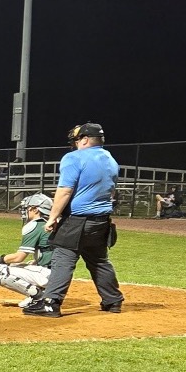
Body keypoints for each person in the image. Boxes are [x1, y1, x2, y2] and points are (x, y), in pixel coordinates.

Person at [24, 122, 122, 317]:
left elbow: (65, 190)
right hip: (102, 220)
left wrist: (52, 217)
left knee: (62, 258)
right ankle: (113, 301)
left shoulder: (73, 158)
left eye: (77, 140)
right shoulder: (110, 159)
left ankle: (51, 303)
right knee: (99, 260)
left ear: (85, 140)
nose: (75, 144)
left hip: (78, 220)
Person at [0, 193, 54, 309]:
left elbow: (19, 257)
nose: (25, 211)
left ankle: (38, 296)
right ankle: (38, 293)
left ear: (36, 210)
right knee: (21, 264)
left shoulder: (36, 225)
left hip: (49, 275)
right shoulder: (49, 224)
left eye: (28, 208)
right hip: (59, 275)